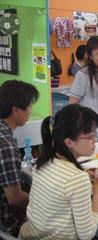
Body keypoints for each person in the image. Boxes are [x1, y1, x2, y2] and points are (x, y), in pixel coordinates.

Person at [19, 104, 98, 239]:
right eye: (90, 137)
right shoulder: (77, 178)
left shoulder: (43, 161)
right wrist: (97, 194)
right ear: (69, 142)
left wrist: (81, 173)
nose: (95, 142)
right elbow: (87, 234)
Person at [0, 80, 39, 237]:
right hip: (10, 221)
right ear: (15, 110)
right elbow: (15, 198)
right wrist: (47, 204)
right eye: (29, 106)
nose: (30, 111)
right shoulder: (6, 144)